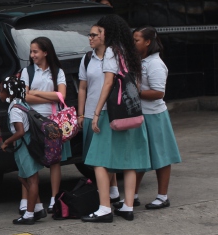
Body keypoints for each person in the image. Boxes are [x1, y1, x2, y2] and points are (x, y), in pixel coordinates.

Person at [82, 15, 151, 223]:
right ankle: (128, 206)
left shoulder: (111, 51)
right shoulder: (128, 51)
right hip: (131, 113)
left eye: (101, 30)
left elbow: (108, 83)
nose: (98, 33)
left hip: (111, 114)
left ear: (108, 31)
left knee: (98, 160)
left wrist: (96, 112)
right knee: (129, 161)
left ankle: (104, 208)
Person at [18, 37, 72, 214]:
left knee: (55, 160)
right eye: (31, 51)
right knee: (30, 158)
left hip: (53, 122)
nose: (32, 55)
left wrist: (37, 92)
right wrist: (51, 94)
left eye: (36, 51)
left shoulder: (57, 71)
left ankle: (54, 198)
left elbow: (61, 96)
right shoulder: (27, 72)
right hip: (33, 121)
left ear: (45, 52)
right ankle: (26, 199)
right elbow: (25, 97)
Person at [131, 26, 181, 210]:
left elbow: (159, 93)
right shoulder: (139, 60)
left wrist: (135, 92)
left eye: (136, 40)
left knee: (161, 157)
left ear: (147, 42)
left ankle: (162, 197)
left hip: (155, 116)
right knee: (139, 156)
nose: (133, 43)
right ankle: (132, 195)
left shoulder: (155, 64)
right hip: (141, 115)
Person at [78, 25, 121, 205]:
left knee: (104, 157)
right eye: (89, 35)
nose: (90, 38)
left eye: (94, 35)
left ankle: (107, 195)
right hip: (90, 113)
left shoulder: (115, 57)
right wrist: (81, 114)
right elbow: (82, 87)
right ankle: (113, 192)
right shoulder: (87, 58)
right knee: (91, 157)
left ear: (105, 36)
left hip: (107, 114)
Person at [0, 76, 47, 225]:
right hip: (28, 144)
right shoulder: (22, 103)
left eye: (1, 91)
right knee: (23, 177)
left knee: (32, 181)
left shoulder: (14, 109)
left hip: (24, 145)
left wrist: (6, 142)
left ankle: (29, 214)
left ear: (9, 93)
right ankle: (38, 207)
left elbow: (19, 131)